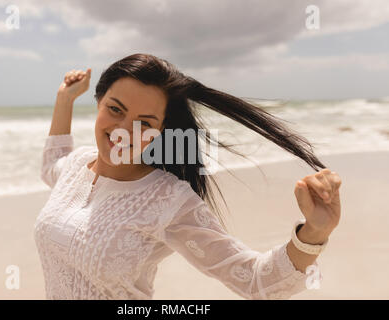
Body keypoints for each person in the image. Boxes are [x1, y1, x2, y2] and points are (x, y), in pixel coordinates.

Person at [34, 53, 342, 300]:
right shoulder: (76, 164)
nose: (124, 130)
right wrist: (65, 99)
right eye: (115, 109)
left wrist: (314, 232)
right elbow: (53, 164)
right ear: (99, 102)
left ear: (161, 133)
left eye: (145, 122)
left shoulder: (168, 200)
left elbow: (255, 282)